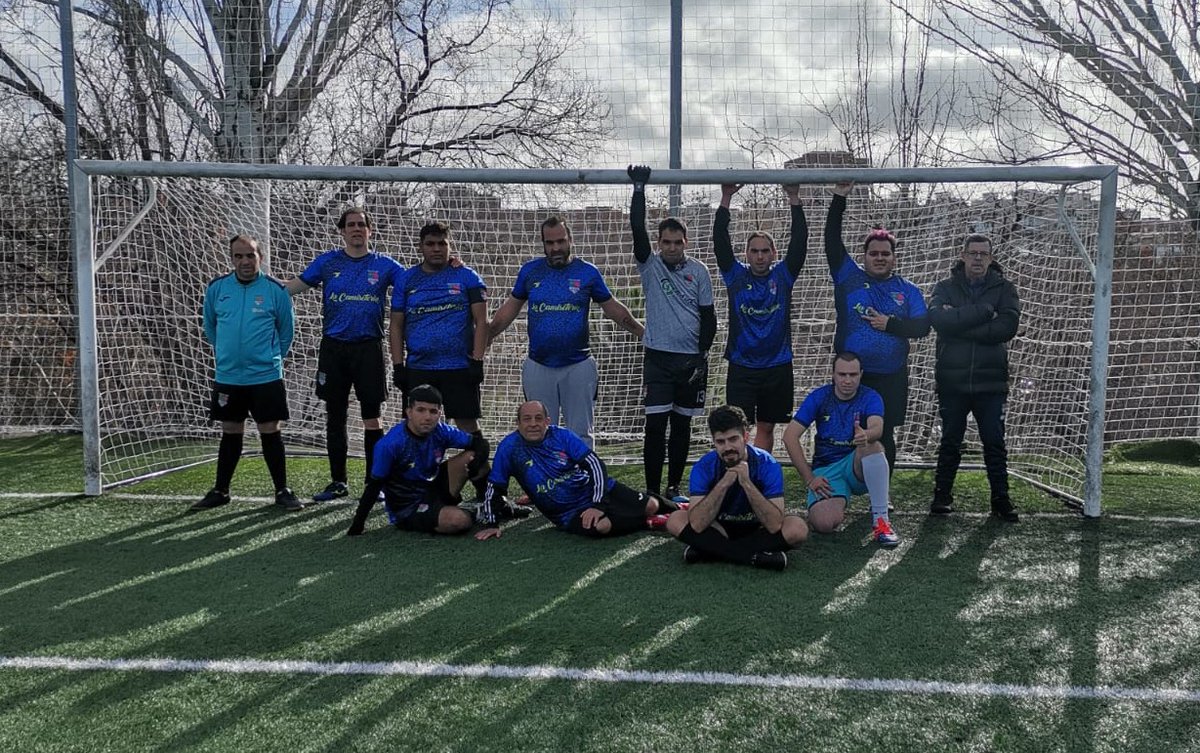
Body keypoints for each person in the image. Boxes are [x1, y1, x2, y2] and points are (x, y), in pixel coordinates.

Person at [488, 216, 644, 447]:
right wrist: (485, 338)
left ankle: (582, 481)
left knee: (580, 433)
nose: (556, 248)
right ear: (543, 244)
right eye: (550, 243)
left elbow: (615, 310)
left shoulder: (587, 273)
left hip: (579, 365)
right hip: (538, 364)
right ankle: (542, 480)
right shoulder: (530, 272)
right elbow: (507, 313)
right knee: (538, 432)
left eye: (561, 241)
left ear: (570, 239)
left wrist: (644, 334)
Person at [286, 207, 404, 503]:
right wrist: (257, 283)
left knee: (372, 418)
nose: (356, 229)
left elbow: (416, 281)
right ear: (342, 231)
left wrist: (451, 264)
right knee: (335, 417)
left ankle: (372, 482)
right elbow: (292, 288)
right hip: (334, 348)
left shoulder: (385, 265)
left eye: (361, 225)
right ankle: (338, 481)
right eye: (350, 225)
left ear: (369, 230)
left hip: (369, 348)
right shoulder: (328, 262)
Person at [824, 181, 929, 479]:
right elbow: (832, 240)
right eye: (874, 253)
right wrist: (839, 197)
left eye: (885, 253)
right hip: (853, 374)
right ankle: (841, 486)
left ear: (894, 257)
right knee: (845, 431)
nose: (880, 257)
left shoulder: (907, 290)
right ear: (865, 256)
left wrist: (890, 324)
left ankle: (881, 493)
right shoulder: (849, 278)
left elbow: (922, 327)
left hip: (891, 375)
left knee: (885, 435)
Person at [192, 234, 301, 512]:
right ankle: (220, 490)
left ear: (260, 257)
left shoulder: (276, 290)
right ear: (231, 259)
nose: (244, 261)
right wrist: (229, 357)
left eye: (250, 255)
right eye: (238, 256)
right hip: (229, 376)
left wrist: (268, 359)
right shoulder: (217, 288)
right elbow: (211, 328)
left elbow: (286, 333)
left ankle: (282, 490)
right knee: (230, 430)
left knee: (270, 430)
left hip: (265, 376)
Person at [628, 165, 717, 500]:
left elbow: (710, 319)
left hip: (691, 361)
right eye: (665, 242)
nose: (671, 247)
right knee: (655, 426)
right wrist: (639, 188)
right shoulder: (650, 266)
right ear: (659, 243)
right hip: (659, 358)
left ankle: (674, 487)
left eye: (677, 242)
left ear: (686, 242)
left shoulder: (699, 271)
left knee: (682, 426)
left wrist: (702, 356)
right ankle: (652, 491)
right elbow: (637, 229)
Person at [390, 221, 493, 502]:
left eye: (442, 244)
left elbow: (481, 322)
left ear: (450, 245)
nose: (436, 249)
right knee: (418, 433)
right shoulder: (406, 280)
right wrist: (398, 366)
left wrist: (477, 360)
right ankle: (416, 490)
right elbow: (396, 325)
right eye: (430, 244)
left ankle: (488, 493)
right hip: (420, 369)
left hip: (458, 368)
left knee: (469, 430)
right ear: (421, 247)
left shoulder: (468, 277)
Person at [474, 400, 679, 540]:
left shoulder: (562, 436)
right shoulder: (509, 448)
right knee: (602, 526)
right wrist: (491, 523)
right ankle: (648, 523)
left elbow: (595, 465)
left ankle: (678, 509)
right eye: (527, 419)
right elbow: (495, 486)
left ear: (548, 421)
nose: (533, 424)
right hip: (567, 513)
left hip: (596, 491)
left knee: (651, 504)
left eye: (538, 418)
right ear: (517, 423)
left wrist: (598, 504)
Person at [929, 234, 1021, 522]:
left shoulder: (1005, 289)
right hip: (952, 382)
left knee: (994, 442)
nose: (978, 258)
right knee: (950, 441)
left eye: (984, 253)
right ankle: (942, 496)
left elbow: (1006, 327)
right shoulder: (944, 287)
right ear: (963, 255)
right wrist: (982, 313)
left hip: (991, 382)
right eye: (973, 253)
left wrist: (959, 323)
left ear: (991, 258)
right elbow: (938, 321)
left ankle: (1000, 499)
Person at [713, 182, 809, 451]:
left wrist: (794, 198)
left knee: (767, 426)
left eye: (765, 250)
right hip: (742, 365)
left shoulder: (783, 275)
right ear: (747, 254)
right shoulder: (735, 276)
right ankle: (739, 474)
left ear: (773, 254)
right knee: (738, 427)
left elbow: (799, 242)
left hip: (777, 365)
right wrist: (726, 197)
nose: (759, 256)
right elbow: (720, 241)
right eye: (754, 251)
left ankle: (758, 474)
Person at [663, 405, 808, 569]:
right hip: (718, 528)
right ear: (714, 442)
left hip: (757, 529)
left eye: (733, 439)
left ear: (745, 437)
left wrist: (746, 482)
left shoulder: (767, 464)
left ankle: (710, 551)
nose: (727, 448)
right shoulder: (704, 466)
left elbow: (774, 524)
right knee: (675, 520)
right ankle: (755, 557)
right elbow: (697, 524)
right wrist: (724, 483)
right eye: (720, 442)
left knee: (797, 528)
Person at [782, 352, 899, 547]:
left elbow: (877, 428)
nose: (847, 380)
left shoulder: (871, 396)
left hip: (856, 464)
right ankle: (837, 499)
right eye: (842, 374)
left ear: (861, 374)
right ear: (833, 375)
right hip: (828, 469)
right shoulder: (819, 397)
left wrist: (866, 435)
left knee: (873, 447)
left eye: (853, 375)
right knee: (824, 523)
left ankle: (882, 521)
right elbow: (789, 436)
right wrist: (809, 479)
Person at [346, 384, 489, 536]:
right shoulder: (390, 444)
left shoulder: (441, 430)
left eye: (433, 411)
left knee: (473, 455)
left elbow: (481, 444)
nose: (427, 417)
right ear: (409, 412)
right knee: (459, 521)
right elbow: (374, 485)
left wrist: (476, 463)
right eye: (421, 410)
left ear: (439, 413)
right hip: (408, 507)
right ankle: (479, 513)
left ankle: (493, 502)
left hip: (433, 489)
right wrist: (358, 524)